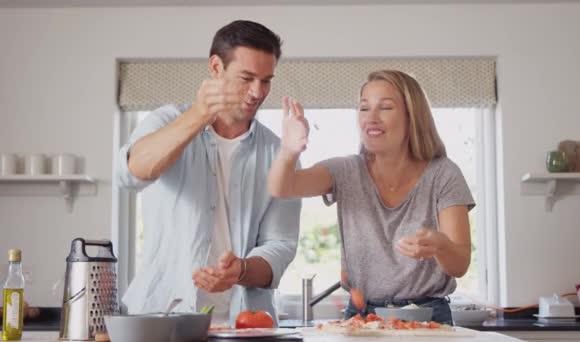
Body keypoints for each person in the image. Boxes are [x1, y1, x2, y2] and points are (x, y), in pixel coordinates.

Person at [115, 20, 301, 324]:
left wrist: (240, 270)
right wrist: (199, 115)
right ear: (216, 67)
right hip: (161, 317)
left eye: (266, 80)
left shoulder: (278, 153)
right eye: (247, 77)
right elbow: (131, 172)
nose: (257, 92)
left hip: (244, 323)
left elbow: (280, 245)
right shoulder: (166, 121)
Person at [268, 70, 475, 325]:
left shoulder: (443, 174)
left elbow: (460, 264)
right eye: (364, 108)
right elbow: (282, 187)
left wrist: (441, 245)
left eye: (385, 107)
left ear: (413, 117)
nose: (371, 118)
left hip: (426, 317)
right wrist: (288, 151)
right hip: (362, 317)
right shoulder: (345, 171)